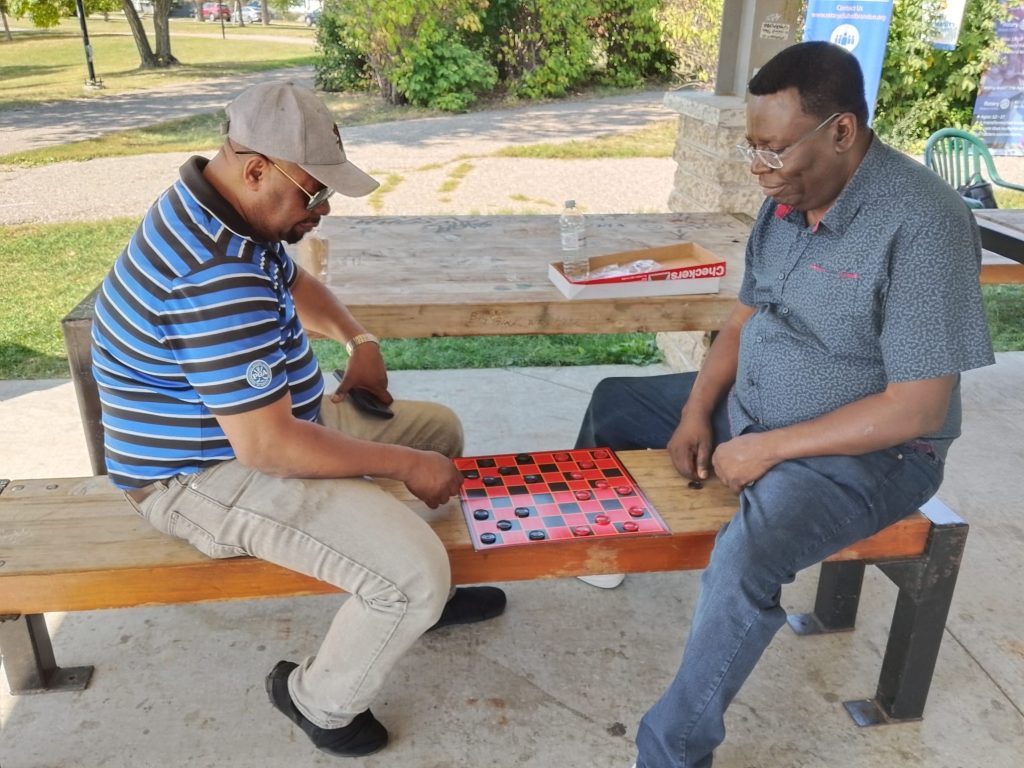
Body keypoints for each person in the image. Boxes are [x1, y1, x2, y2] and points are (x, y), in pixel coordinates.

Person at [575, 41, 995, 768]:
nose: (759, 168)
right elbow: (744, 317)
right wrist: (697, 410)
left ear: (842, 131)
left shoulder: (923, 222)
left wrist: (766, 449)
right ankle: (604, 553)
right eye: (751, 149)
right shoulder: (786, 200)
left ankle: (669, 751)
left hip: (875, 452)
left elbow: (918, 409)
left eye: (773, 150)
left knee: (747, 555)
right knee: (614, 402)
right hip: (756, 410)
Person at [90, 81, 506, 758]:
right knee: (412, 570)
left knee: (439, 436)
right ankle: (320, 701)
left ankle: (409, 605)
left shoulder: (228, 210)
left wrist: (359, 341)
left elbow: (293, 282)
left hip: (265, 428)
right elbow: (268, 446)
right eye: (314, 193)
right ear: (256, 168)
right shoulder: (211, 273)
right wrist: (398, 466)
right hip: (198, 474)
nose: (324, 208)